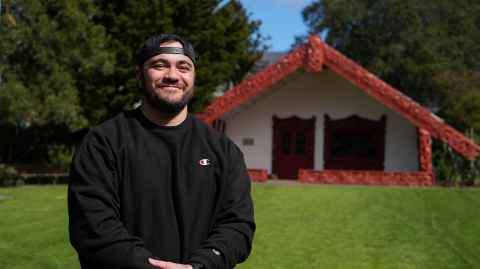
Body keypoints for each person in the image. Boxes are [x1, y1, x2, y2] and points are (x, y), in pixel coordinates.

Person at [68, 34, 255, 269]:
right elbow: (92, 226)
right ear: (139, 74)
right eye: (159, 65)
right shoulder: (103, 143)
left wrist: (201, 265)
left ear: (194, 77)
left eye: (184, 67)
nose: (173, 75)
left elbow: (237, 226)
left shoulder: (223, 151)